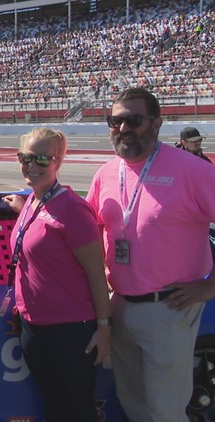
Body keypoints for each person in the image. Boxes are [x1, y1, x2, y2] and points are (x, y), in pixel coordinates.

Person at [86, 87, 215, 421]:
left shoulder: (193, 170)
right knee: (132, 404)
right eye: (115, 121)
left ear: (156, 124)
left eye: (133, 120)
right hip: (121, 304)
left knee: (164, 412)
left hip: (169, 307)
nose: (123, 129)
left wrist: (209, 287)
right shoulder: (105, 174)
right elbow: (86, 231)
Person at [2, 127, 111, 421]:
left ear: (58, 161)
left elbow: (96, 274)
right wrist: (21, 206)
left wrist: (104, 327)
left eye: (41, 159)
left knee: (76, 410)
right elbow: (40, 229)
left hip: (71, 332)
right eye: (25, 157)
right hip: (33, 327)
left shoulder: (74, 210)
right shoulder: (34, 202)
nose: (31, 166)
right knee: (53, 406)